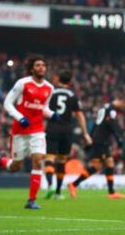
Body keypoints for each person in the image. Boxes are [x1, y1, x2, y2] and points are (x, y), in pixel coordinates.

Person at [0, 54, 59, 209]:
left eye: (43, 65)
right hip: (19, 131)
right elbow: (7, 103)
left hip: (37, 130)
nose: (41, 67)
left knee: (38, 160)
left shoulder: (49, 88)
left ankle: (31, 200)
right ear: (31, 68)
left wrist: (52, 114)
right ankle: (1, 160)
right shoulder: (22, 83)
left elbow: (44, 108)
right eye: (37, 65)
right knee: (16, 166)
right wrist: (20, 117)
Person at [44, 69, 92, 200]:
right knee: (61, 160)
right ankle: (58, 193)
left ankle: (49, 186)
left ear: (58, 79)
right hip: (66, 130)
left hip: (52, 128)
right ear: (70, 81)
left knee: (49, 158)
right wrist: (85, 133)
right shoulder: (72, 96)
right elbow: (80, 115)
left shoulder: (51, 92)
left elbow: (43, 109)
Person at [68, 99, 125, 199]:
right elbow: (112, 124)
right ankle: (111, 192)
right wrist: (119, 138)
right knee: (108, 163)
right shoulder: (111, 110)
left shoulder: (104, 108)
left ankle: (74, 184)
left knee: (97, 166)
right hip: (101, 141)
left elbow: (96, 124)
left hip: (98, 140)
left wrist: (90, 139)